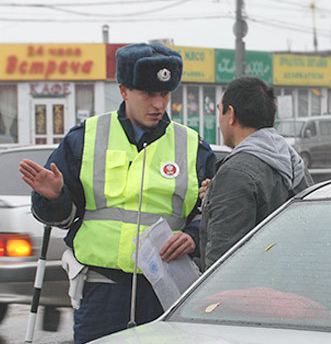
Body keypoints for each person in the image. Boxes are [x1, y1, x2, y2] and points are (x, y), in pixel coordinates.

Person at [19, 43, 216, 344]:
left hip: (165, 292)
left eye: (164, 94)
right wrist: (55, 197)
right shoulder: (83, 139)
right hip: (101, 289)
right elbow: (60, 216)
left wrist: (194, 235)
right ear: (123, 91)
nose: (158, 104)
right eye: (148, 93)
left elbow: (213, 214)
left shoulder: (192, 146)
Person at [199, 76, 313, 271]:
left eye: (220, 111)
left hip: (247, 294)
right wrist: (215, 194)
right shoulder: (293, 161)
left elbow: (222, 264)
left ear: (231, 115)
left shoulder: (235, 175)